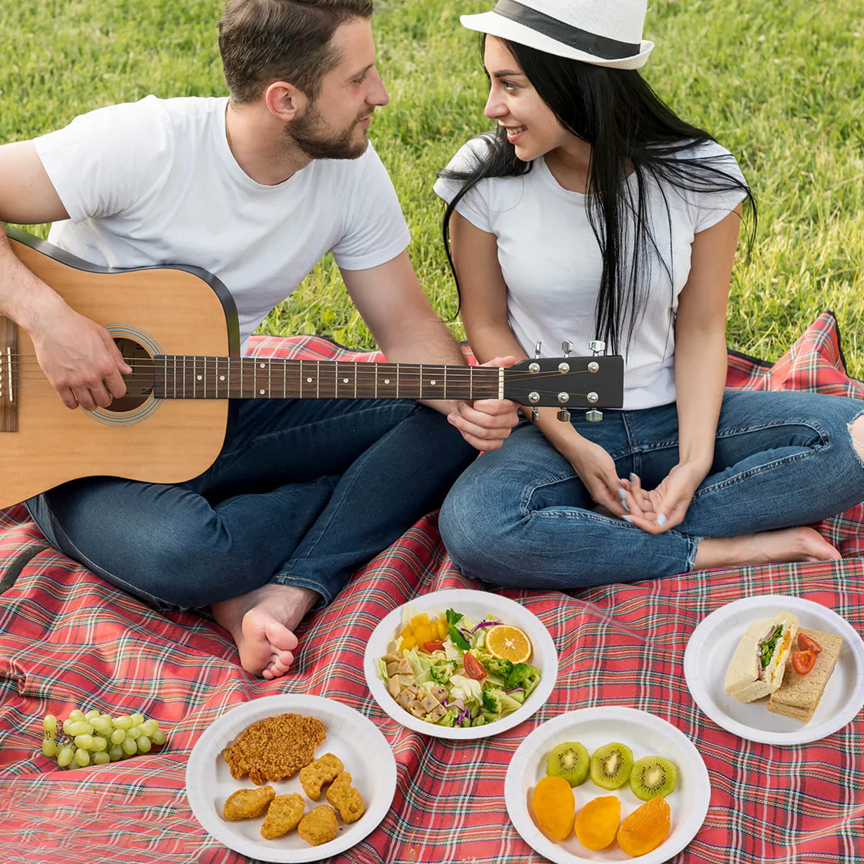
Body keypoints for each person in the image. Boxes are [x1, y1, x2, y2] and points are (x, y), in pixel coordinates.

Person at [0, 0, 519, 679]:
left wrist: (468, 399)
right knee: (192, 556)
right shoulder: (145, 145)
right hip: (62, 441)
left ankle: (291, 585)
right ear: (284, 99)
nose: (381, 95)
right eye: (358, 80)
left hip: (209, 406)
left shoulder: (350, 171)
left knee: (448, 419)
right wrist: (48, 320)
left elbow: (407, 328)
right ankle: (341, 507)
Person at [434, 0, 864, 591]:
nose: (492, 107)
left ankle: (600, 531)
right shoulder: (484, 176)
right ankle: (717, 548)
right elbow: (485, 325)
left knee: (858, 438)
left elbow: (702, 330)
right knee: (478, 529)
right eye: (491, 82)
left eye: (511, 84)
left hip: (677, 412)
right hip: (557, 423)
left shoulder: (699, 174)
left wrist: (695, 462)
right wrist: (577, 447)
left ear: (578, 81)